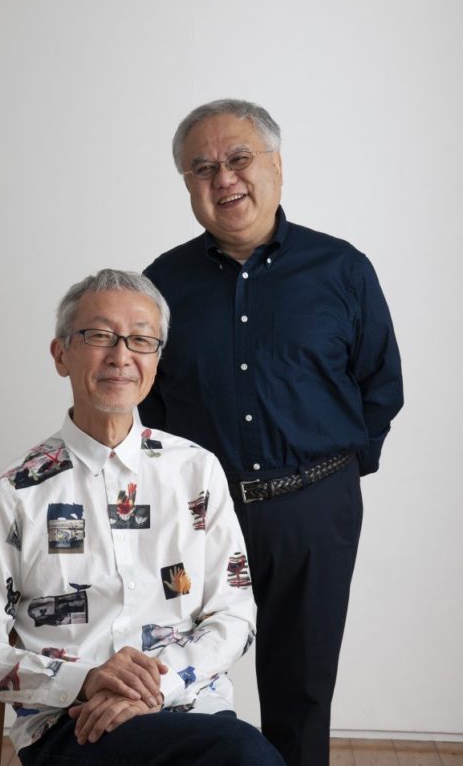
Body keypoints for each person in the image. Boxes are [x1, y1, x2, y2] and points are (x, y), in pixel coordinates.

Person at [140, 100, 404, 766]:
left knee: (302, 690)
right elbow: (151, 401)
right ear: (187, 184)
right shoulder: (161, 285)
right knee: (177, 678)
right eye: (202, 168)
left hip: (314, 509)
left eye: (239, 158)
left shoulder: (341, 269)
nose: (223, 178)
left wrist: (332, 477)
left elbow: (380, 384)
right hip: (200, 515)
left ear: (276, 166)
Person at [0, 269, 285, 766]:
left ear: (157, 359)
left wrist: (153, 688)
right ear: (61, 355)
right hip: (71, 724)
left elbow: (234, 615)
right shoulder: (14, 491)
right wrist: (85, 681)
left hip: (190, 710)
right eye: (99, 335)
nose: (121, 356)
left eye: (141, 339)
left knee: (241, 754)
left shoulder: (197, 471)